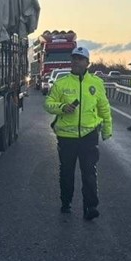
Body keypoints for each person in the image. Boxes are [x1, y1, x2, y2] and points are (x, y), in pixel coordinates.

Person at [45, 46, 113, 220]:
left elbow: (104, 108)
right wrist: (61, 107)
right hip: (67, 137)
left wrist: (107, 129)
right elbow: (48, 103)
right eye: (74, 58)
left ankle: (90, 207)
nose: (75, 61)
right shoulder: (62, 83)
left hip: (89, 136)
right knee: (67, 173)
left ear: (87, 63)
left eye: (80, 59)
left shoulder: (96, 84)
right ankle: (66, 202)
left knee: (89, 172)